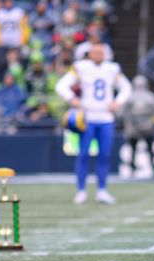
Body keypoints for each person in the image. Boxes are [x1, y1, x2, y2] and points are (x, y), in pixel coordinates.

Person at [55, 43, 134, 204]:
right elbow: (61, 85)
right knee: (83, 154)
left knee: (104, 155)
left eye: (101, 52)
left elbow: (126, 88)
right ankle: (81, 190)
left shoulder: (112, 69)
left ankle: (102, 190)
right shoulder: (81, 67)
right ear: (89, 54)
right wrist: (72, 99)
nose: (98, 55)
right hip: (87, 118)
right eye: (95, 52)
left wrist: (117, 102)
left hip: (106, 118)